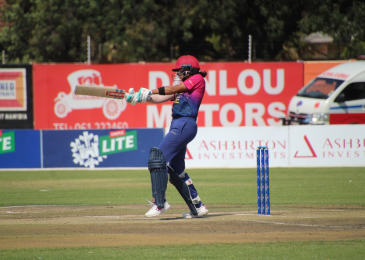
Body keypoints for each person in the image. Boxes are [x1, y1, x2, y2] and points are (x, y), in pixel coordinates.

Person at [126, 55, 209, 218]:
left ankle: (160, 202)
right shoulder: (183, 88)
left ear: (189, 70)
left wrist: (150, 91)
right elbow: (161, 97)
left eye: (180, 71)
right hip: (178, 124)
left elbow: (171, 89)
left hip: (185, 124)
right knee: (176, 170)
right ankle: (197, 206)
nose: (178, 74)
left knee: (158, 157)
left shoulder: (197, 78)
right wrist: (141, 97)